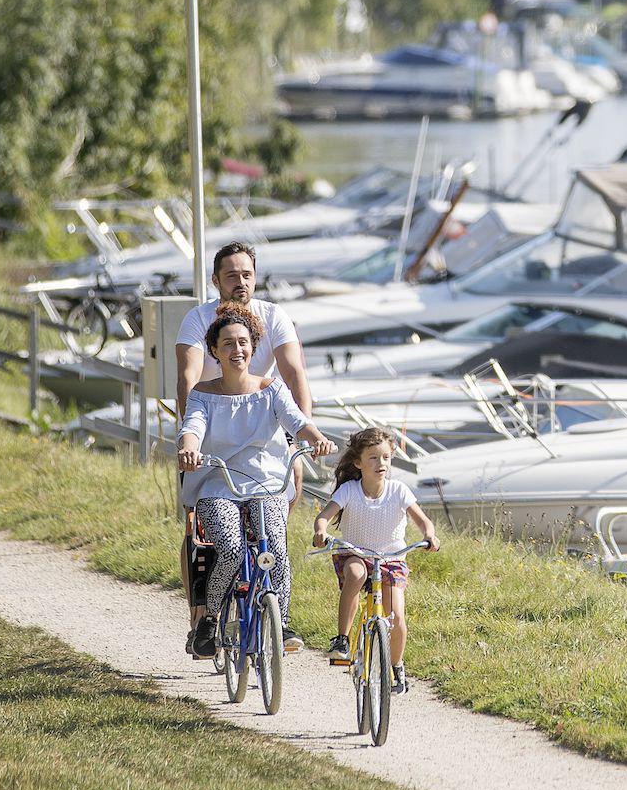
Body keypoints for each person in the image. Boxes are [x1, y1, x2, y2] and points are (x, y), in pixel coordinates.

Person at [178, 308, 335, 659]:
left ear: (253, 347)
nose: (237, 350)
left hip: (267, 483)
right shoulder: (203, 394)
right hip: (219, 483)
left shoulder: (271, 389)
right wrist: (189, 449)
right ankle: (210, 619)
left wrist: (317, 439)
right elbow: (193, 427)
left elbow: (297, 421)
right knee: (231, 549)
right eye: (228, 344)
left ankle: (282, 622)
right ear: (214, 351)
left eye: (243, 343)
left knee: (275, 548)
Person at [311, 426, 439, 693]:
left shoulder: (398, 490)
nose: (381, 463)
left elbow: (423, 521)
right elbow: (324, 516)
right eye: (373, 457)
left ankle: (396, 665)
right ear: (358, 463)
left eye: (386, 457)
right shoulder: (349, 490)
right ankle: (342, 639)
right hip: (355, 553)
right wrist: (320, 531)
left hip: (391, 559)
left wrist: (429, 535)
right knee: (356, 574)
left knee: (397, 617)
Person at [175, 242, 312, 421]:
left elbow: (294, 374)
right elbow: (188, 378)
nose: (241, 282)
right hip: (209, 419)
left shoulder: (273, 315)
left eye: (247, 275)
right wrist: (191, 428)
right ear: (215, 281)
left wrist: (305, 427)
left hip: (261, 421)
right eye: (232, 276)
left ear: (254, 278)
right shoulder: (197, 318)